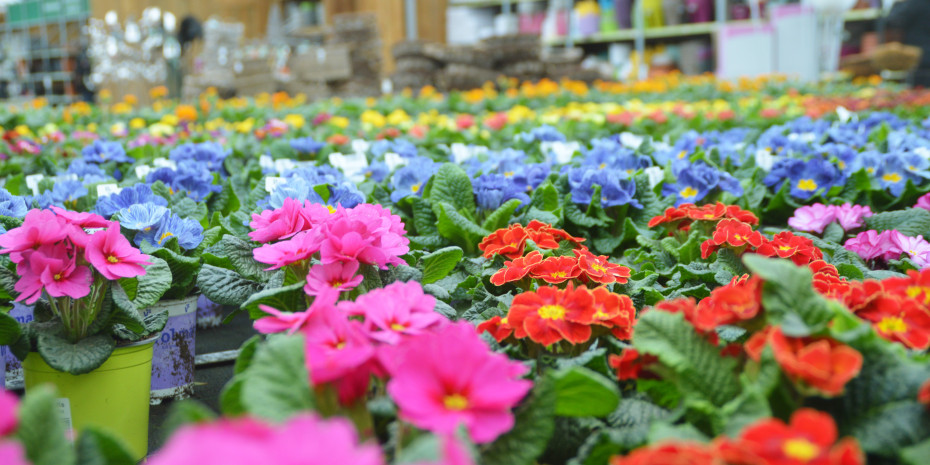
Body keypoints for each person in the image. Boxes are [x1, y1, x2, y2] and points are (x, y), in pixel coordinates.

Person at [886, 0, 930, 87]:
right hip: (921, 52)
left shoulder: (910, 4)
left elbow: (892, 20)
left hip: (916, 54)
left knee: (918, 88)